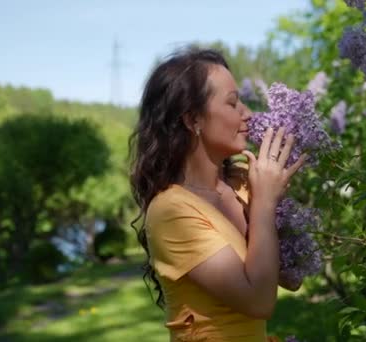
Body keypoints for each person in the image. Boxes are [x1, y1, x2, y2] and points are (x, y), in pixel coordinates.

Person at [129, 47, 306, 342]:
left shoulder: (242, 183)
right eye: (233, 103)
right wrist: (264, 204)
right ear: (192, 119)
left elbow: (293, 278)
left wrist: (270, 204)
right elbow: (259, 302)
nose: (247, 114)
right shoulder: (171, 211)